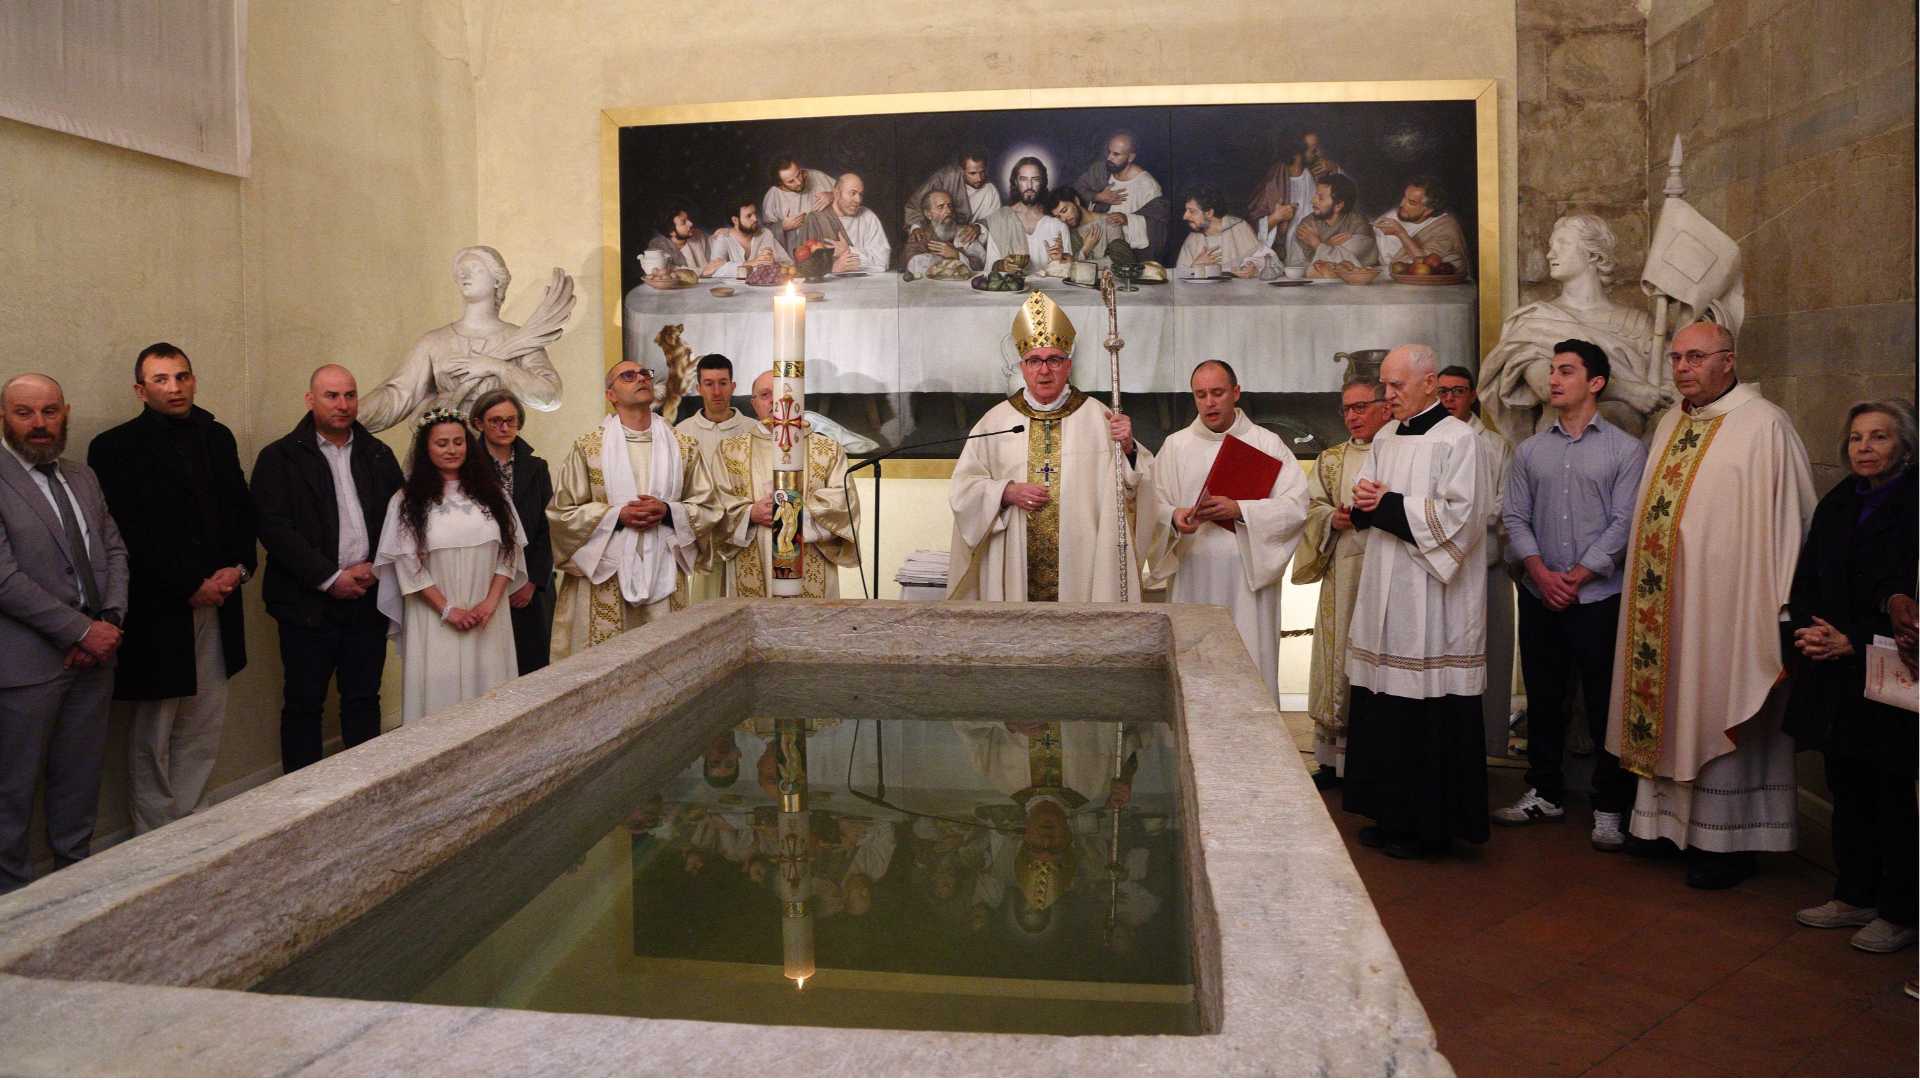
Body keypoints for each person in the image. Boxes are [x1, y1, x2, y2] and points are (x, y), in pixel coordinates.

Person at [1604, 320, 1815, 889]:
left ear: (1728, 359)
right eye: (1676, 358)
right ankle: (1663, 828)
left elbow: (1792, 522)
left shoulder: (1764, 425)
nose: (1681, 368)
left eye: (1694, 357)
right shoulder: (1672, 421)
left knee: (1719, 706)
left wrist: (1782, 611)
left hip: (1729, 611)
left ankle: (1729, 842)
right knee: (1672, 708)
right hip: (1665, 607)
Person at [89, 343, 255, 835]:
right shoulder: (114, 447)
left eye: (182, 376)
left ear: (194, 380)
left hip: (221, 601)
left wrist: (238, 569)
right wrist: (188, 585)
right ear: (140, 390)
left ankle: (193, 821)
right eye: (161, 379)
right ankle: (156, 834)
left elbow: (240, 511)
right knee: (153, 730)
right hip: (158, 609)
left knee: (205, 719)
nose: (175, 387)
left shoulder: (217, 436)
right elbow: (124, 533)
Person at [1492, 341, 1646, 848]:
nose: (1553, 380)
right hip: (1541, 597)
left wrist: (1577, 575)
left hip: (1598, 599)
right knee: (1544, 697)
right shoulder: (1532, 450)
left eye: (1565, 371)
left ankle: (1609, 805)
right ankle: (1544, 792)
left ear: (1595, 382)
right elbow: (1514, 516)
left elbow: (1625, 522)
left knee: (1605, 703)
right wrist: (1541, 571)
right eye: (1552, 371)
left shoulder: (1625, 450)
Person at [1341, 344, 1489, 859]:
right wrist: (1365, 503)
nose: (1388, 395)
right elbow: (1373, 500)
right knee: (1383, 702)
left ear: (1430, 383)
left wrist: (1387, 505)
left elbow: (1462, 517)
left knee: (1426, 708)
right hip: (1386, 584)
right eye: (1384, 385)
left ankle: (1429, 826)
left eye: (1397, 386)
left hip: (1432, 598)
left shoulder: (1459, 439)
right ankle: (1388, 812)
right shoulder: (1384, 435)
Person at [1785, 400, 1916, 951]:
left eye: (1878, 437)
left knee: (1892, 792)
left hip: (1891, 671)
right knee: (1847, 785)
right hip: (1835, 671)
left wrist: (1854, 641)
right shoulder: (1839, 501)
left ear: (1903, 446)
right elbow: (1809, 572)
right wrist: (1812, 632)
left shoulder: (1914, 503)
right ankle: (1854, 893)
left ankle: (1901, 909)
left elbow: (1903, 589)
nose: (1864, 448)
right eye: (1857, 438)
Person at [0, 374, 127, 893]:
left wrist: (111, 622)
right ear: (4, 417)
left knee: (78, 788)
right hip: (27, 667)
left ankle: (75, 897)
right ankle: (13, 913)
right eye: (25, 413)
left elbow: (115, 550)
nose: (39, 424)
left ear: (66, 412)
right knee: (11, 797)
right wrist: (79, 631)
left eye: (50, 411)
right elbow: (4, 578)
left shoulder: (83, 477)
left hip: (96, 660)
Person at [947, 290, 1150, 602]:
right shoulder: (995, 422)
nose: (1044, 370)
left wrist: (1128, 448)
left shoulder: (1100, 418)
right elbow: (963, 490)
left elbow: (1138, 486)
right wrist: (1005, 492)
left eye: (1054, 360)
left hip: (1083, 568)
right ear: (1022, 366)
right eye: (1034, 361)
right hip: (1014, 567)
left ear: (1068, 365)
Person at [252, 364, 405, 774]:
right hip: (306, 604)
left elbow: (399, 519)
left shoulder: (378, 454)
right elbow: (274, 528)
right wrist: (330, 577)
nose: (343, 405)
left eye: (350, 395)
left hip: (367, 597)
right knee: (304, 704)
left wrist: (376, 567)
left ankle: (365, 789)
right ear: (310, 400)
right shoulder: (279, 458)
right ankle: (302, 802)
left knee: (363, 699)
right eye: (332, 396)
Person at [1142, 360, 1308, 702]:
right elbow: (1149, 506)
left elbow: (1296, 506)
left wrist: (1242, 510)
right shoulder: (1175, 446)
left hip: (1247, 580)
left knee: (1249, 667)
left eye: (1217, 393)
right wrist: (1175, 517)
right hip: (1194, 576)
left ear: (1235, 393)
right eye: (1200, 395)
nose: (1209, 402)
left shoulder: (1267, 443)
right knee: (1197, 672)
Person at [547, 361, 727, 660]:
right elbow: (562, 514)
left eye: (645, 374)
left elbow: (708, 508)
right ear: (611, 395)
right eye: (628, 376)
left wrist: (668, 512)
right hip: (605, 576)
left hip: (664, 569)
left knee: (666, 661)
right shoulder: (588, 448)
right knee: (605, 662)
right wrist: (616, 516)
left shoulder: (684, 446)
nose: (640, 378)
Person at [372, 409, 527, 723]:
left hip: (488, 616)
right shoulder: (405, 501)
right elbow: (407, 563)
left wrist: (489, 603)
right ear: (426, 450)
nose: (452, 449)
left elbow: (509, 553)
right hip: (435, 618)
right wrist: (448, 609)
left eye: (458, 442)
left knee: (491, 699)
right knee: (440, 703)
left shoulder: (494, 495)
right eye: (442, 443)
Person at [1479, 214, 1672, 443]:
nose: (1551, 254)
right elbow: (1548, 387)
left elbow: (1667, 393)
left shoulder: (1638, 323)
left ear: (1593, 254)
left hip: (1628, 451)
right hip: (1561, 451)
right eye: (1551, 246)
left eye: (1563, 243)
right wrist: (1629, 392)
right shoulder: (1536, 321)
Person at [1293, 376, 1393, 788]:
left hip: (1389, 574)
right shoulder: (1331, 460)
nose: (1352, 417)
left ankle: (1377, 762)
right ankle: (1335, 762)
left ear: (1385, 407)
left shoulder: (1400, 454)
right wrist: (1330, 519)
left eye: (1361, 407)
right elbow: (1310, 508)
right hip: (1344, 572)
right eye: (1346, 409)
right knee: (1340, 664)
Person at [358, 246, 571, 432]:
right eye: (461, 271)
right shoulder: (434, 341)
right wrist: (348, 416)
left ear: (498, 279)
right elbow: (398, 394)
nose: (465, 275)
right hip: (442, 448)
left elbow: (549, 396)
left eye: (476, 269)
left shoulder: (518, 339)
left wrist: (496, 366)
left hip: (494, 446)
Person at [714, 371, 860, 597]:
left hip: (811, 560)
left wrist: (795, 513)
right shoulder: (729, 451)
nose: (775, 401)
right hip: (751, 560)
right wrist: (749, 514)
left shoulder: (828, 450)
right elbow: (713, 506)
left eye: (783, 393)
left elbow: (843, 504)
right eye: (765, 395)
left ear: (799, 399)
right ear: (754, 404)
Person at [1437, 365, 1515, 754]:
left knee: (1492, 655)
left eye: (1458, 391)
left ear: (1472, 396)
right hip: (1441, 566)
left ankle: (1489, 741)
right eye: (1443, 391)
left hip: (1487, 564)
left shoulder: (1496, 446)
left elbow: (1501, 504)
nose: (1449, 398)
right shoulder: (1431, 440)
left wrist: (1460, 516)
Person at [471, 389, 555, 676]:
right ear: (479, 423)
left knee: (532, 666)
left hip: (528, 586)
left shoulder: (536, 468)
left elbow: (548, 529)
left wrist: (531, 581)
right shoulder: (466, 468)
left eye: (511, 420)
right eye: (495, 421)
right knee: (488, 668)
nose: (504, 427)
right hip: (480, 581)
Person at [675, 354, 756, 601]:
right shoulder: (681, 433)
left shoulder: (754, 430)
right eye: (709, 384)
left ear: (733, 386)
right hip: (705, 536)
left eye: (723, 382)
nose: (716, 391)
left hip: (746, 533)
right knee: (705, 609)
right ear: (698, 388)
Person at [1070, 131, 1168, 259]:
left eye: (1116, 154)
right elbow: (1074, 192)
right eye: (1109, 152)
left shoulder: (1148, 185)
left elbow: (1158, 227)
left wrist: (1127, 219)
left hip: (1126, 254)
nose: (1109, 158)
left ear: (1131, 157)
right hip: (1093, 245)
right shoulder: (1100, 171)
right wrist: (1098, 196)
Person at [1247, 132, 1333, 264]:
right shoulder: (1272, 183)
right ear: (1296, 153)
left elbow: (1342, 198)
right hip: (1288, 257)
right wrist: (1276, 217)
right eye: (1313, 149)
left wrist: (1334, 168)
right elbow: (1249, 230)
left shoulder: (1318, 173)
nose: (1319, 153)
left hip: (1320, 247)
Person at [982, 158, 1074, 272]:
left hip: (1046, 289)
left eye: (1035, 179)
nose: (1029, 186)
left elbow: (1068, 271)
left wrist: (1061, 259)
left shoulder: (1057, 222)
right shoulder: (1000, 219)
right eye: (1023, 179)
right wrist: (1002, 266)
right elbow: (990, 268)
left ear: (1042, 182)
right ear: (1016, 182)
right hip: (1012, 288)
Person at [791, 173, 890, 274]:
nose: (858, 200)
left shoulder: (868, 216)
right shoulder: (815, 219)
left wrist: (849, 251)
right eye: (853, 193)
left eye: (860, 194)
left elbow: (884, 261)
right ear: (837, 193)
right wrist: (832, 269)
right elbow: (802, 268)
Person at [1173, 187, 1278, 280]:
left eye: (1191, 211)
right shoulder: (1192, 238)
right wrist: (1195, 266)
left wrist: (1254, 269)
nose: (1185, 216)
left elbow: (1272, 260)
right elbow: (1178, 275)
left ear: (1209, 213)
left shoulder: (1238, 228)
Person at [1373, 176, 1470, 272]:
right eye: (1404, 197)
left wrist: (1400, 233)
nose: (1402, 204)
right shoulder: (1391, 216)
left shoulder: (1445, 227)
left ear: (1428, 210)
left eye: (1411, 202)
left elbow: (1426, 266)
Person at [904, 148, 999, 235]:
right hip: (934, 236)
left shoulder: (990, 190)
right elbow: (913, 206)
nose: (979, 178)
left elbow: (994, 221)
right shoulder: (944, 178)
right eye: (972, 173)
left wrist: (978, 227)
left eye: (982, 172)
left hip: (965, 239)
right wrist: (916, 228)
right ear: (961, 170)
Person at [1296, 174, 1378, 270]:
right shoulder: (1308, 223)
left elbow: (1347, 263)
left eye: (1320, 198)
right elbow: (1301, 265)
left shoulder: (1358, 225)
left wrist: (1317, 244)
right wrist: (1328, 245)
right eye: (1315, 195)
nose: (1313, 201)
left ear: (1338, 206)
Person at [900, 189, 985, 274]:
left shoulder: (966, 233)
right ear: (928, 214)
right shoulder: (920, 235)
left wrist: (957, 255)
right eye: (941, 207)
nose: (948, 211)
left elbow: (979, 265)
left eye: (950, 206)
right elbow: (909, 262)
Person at [761, 156, 836, 252]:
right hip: (797, 253)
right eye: (791, 181)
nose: (799, 182)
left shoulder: (817, 176)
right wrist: (782, 227)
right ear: (780, 185)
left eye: (798, 174)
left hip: (829, 244)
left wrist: (832, 195)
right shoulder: (773, 196)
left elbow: (846, 195)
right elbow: (765, 234)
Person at [706, 197, 792, 278]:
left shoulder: (765, 234)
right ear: (735, 220)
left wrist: (774, 263)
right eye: (749, 216)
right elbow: (712, 271)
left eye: (755, 213)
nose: (755, 219)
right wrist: (751, 263)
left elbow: (788, 263)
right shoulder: (723, 237)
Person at [645, 207, 720, 279]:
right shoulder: (657, 246)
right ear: (671, 232)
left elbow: (718, 255)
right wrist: (704, 271)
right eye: (683, 222)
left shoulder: (698, 235)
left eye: (688, 219)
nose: (690, 223)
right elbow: (667, 272)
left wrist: (723, 233)